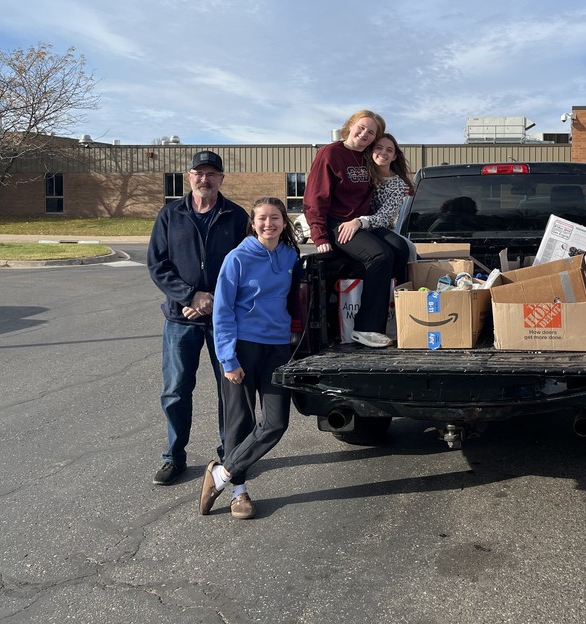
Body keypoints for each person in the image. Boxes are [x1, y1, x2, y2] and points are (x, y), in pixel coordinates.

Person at [147, 151, 249, 485]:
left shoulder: (236, 216)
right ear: (189, 176)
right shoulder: (170, 214)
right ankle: (173, 457)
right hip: (181, 319)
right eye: (198, 173)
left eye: (211, 174)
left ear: (222, 178)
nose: (204, 179)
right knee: (176, 390)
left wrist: (214, 300)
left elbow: (246, 267)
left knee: (229, 390)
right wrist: (190, 295)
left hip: (224, 321)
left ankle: (230, 456)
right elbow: (158, 264)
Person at [199, 197, 301, 519]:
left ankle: (221, 473)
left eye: (275, 218)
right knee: (239, 423)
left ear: (284, 223)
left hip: (277, 348)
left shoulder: (290, 256)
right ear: (253, 223)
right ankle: (238, 493)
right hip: (242, 347)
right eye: (262, 219)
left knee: (276, 423)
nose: (268, 224)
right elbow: (223, 311)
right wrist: (227, 359)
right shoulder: (237, 258)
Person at [302, 110, 398, 349]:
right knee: (379, 255)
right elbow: (315, 197)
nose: (364, 134)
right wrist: (320, 235)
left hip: (359, 223)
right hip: (337, 224)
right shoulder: (330, 153)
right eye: (362, 127)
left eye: (371, 132)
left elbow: (385, 172)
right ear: (350, 125)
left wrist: (399, 187)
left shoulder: (366, 156)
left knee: (398, 249)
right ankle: (366, 328)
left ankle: (398, 318)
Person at [353, 132, 415, 283]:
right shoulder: (362, 174)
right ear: (371, 151)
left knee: (405, 248)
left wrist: (360, 222)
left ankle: (400, 290)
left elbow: (385, 216)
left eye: (389, 150)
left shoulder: (398, 185)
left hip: (380, 227)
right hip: (357, 226)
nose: (383, 153)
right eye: (379, 148)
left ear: (394, 156)